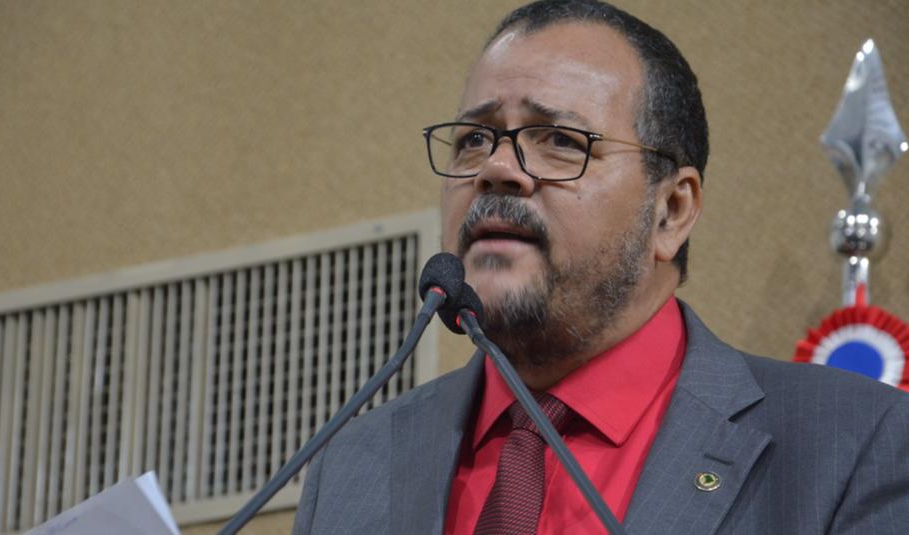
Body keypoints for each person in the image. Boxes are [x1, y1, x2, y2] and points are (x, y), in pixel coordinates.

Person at [293, 1, 909, 533]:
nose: (496, 169)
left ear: (671, 211)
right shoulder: (350, 470)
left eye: (560, 141)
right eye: (473, 139)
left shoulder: (856, 444)